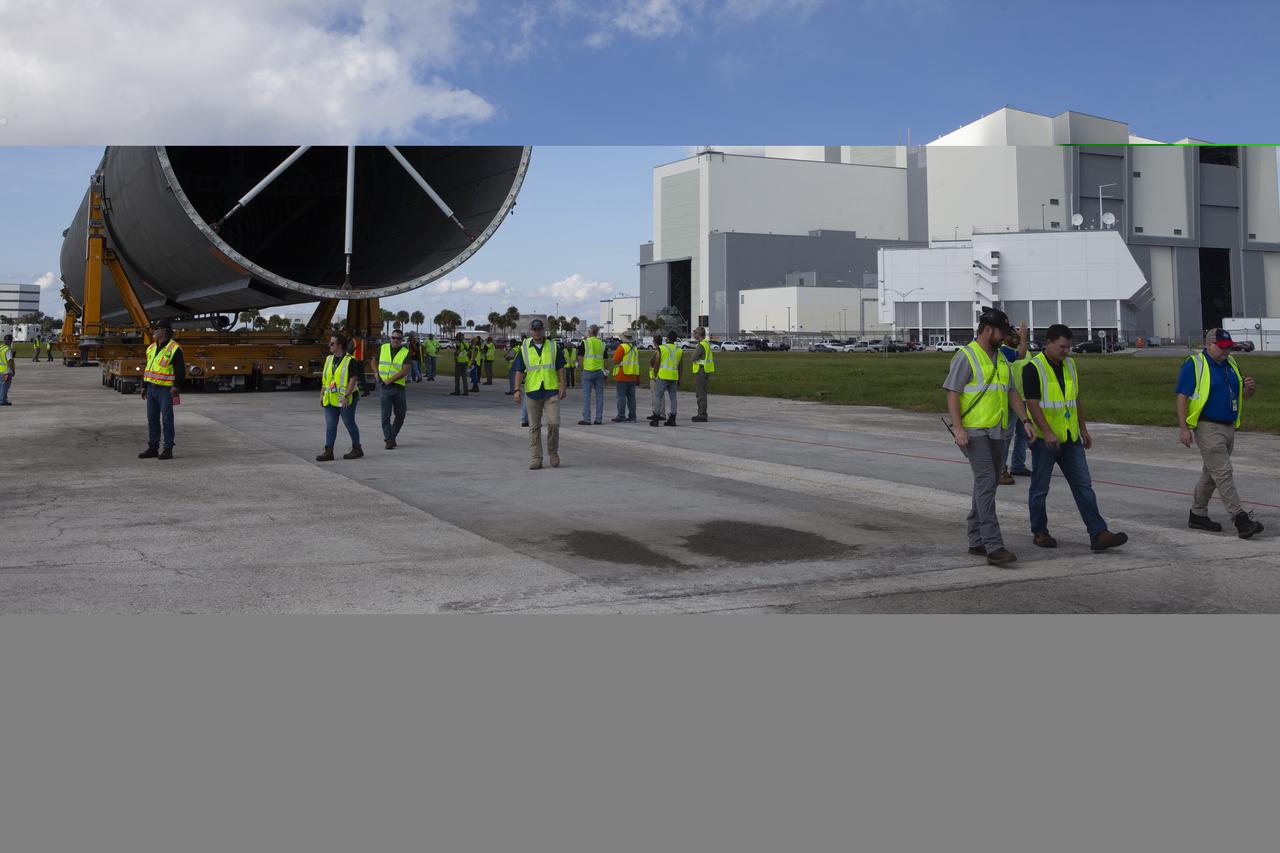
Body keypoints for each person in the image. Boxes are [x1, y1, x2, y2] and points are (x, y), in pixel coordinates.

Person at [1022, 324, 1127, 551]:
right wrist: (1048, 432)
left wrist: (1083, 429)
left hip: (1070, 439)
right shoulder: (1033, 367)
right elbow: (1032, 403)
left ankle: (1098, 533)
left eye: (1068, 346)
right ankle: (1040, 531)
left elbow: (1075, 398)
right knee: (1040, 488)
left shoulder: (1070, 365)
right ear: (1048, 343)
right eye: (1062, 346)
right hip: (1045, 440)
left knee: (1083, 486)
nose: (1066, 351)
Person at [942, 307, 1033, 566]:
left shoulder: (1002, 358)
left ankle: (975, 540)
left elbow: (1011, 391)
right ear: (988, 329)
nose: (1005, 337)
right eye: (1002, 332)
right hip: (973, 432)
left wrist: (1025, 420)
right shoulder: (966, 356)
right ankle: (993, 545)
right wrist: (958, 428)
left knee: (989, 484)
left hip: (998, 431)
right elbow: (952, 393)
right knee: (985, 482)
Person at [1176, 328, 1264, 538]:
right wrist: (1183, 427)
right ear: (1209, 345)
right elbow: (1182, 397)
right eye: (1223, 348)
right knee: (1223, 472)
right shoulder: (1195, 364)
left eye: (1229, 348)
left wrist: (1249, 389)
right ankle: (1240, 518)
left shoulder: (1230, 364)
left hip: (1228, 426)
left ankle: (1197, 515)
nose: (1227, 352)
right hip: (1208, 427)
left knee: (1212, 474)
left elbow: (1239, 393)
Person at [512, 318, 566, 469]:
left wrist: (563, 385)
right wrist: (517, 390)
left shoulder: (553, 346)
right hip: (533, 391)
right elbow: (518, 371)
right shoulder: (524, 348)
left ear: (543, 331)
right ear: (531, 331)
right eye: (534, 330)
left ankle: (553, 453)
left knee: (554, 423)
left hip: (550, 390)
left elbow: (560, 367)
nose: (537, 332)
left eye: (539, 329)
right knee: (534, 427)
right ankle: (536, 458)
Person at [139, 319, 184, 460]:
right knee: (152, 419)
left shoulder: (174, 348)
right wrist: (144, 386)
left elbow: (180, 369)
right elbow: (148, 368)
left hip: (166, 390)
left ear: (164, 330)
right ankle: (153, 447)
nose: (154, 332)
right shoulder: (151, 348)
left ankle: (168, 449)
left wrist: (176, 386)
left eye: (156, 329)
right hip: (151, 389)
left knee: (167, 419)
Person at [317, 333, 363, 461]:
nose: (329, 345)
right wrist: (321, 394)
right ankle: (328, 451)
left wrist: (347, 396)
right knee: (331, 425)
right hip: (330, 398)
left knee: (349, 422)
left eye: (332, 343)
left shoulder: (350, 360)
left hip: (346, 398)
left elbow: (353, 379)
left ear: (340, 346)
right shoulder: (329, 359)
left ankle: (357, 448)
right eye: (329, 343)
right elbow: (326, 379)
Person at [999, 320, 1031, 483]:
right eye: (1013, 335)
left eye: (1017, 334)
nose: (1016, 337)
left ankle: (1018, 465)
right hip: (1011, 400)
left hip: (1025, 398)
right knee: (1007, 435)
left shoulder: (1021, 349)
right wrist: (1023, 338)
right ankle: (1001, 467)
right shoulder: (1004, 351)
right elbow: (1022, 354)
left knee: (1023, 435)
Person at [377, 328, 411, 449]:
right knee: (385, 416)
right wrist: (376, 374)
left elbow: (405, 370)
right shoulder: (383, 348)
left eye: (398, 338)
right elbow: (373, 361)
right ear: (390, 338)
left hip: (398, 387)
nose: (395, 340)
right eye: (393, 337)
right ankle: (388, 439)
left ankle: (392, 436)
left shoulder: (405, 352)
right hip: (385, 388)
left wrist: (390, 379)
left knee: (401, 414)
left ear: (402, 340)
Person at [649, 330, 682, 426]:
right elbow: (680, 366)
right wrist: (679, 378)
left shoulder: (662, 348)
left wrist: (655, 375)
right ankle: (673, 418)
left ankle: (656, 418)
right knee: (673, 398)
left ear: (667, 338)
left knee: (658, 396)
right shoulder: (679, 350)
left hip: (663, 375)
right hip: (674, 376)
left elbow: (657, 363)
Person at [578, 325, 606, 425]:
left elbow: (580, 357)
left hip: (588, 370)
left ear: (589, 332)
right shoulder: (602, 344)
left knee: (586, 395)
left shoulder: (585, 342)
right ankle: (599, 419)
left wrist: (582, 368)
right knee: (600, 395)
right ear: (597, 332)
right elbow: (605, 359)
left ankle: (587, 418)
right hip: (599, 371)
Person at [610, 329, 640, 422]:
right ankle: (632, 416)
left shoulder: (622, 347)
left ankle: (621, 416)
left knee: (621, 397)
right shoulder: (635, 348)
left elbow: (615, 361)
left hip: (622, 375)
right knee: (631, 398)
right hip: (632, 375)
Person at [690, 326, 715, 422]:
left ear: (698, 334)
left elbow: (693, 358)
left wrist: (693, 354)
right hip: (705, 370)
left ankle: (702, 414)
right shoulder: (706, 343)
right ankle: (701, 413)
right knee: (702, 393)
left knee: (700, 393)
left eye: (695, 333)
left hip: (701, 370)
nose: (694, 334)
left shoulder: (701, 345)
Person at [0, 333, 14, 405]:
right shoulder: (7, 349)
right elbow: (9, 361)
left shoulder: (1, 347)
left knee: (1, 386)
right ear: (10, 341)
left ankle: (3, 399)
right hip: (6, 371)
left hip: (0, 370)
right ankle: (2, 401)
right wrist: (12, 370)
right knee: (5, 387)